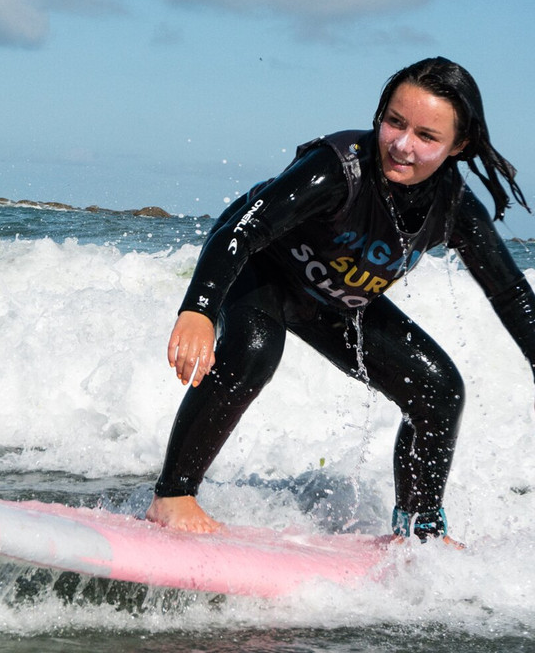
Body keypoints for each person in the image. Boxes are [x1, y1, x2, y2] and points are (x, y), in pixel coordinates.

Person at [147, 57, 535, 542]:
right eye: (394, 122)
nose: (401, 144)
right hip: (261, 265)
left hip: (336, 300)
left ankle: (420, 529)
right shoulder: (339, 166)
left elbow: (510, 291)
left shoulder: (453, 206)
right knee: (254, 349)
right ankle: (174, 494)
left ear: (459, 145)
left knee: (438, 391)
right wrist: (199, 308)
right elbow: (241, 232)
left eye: (427, 137)